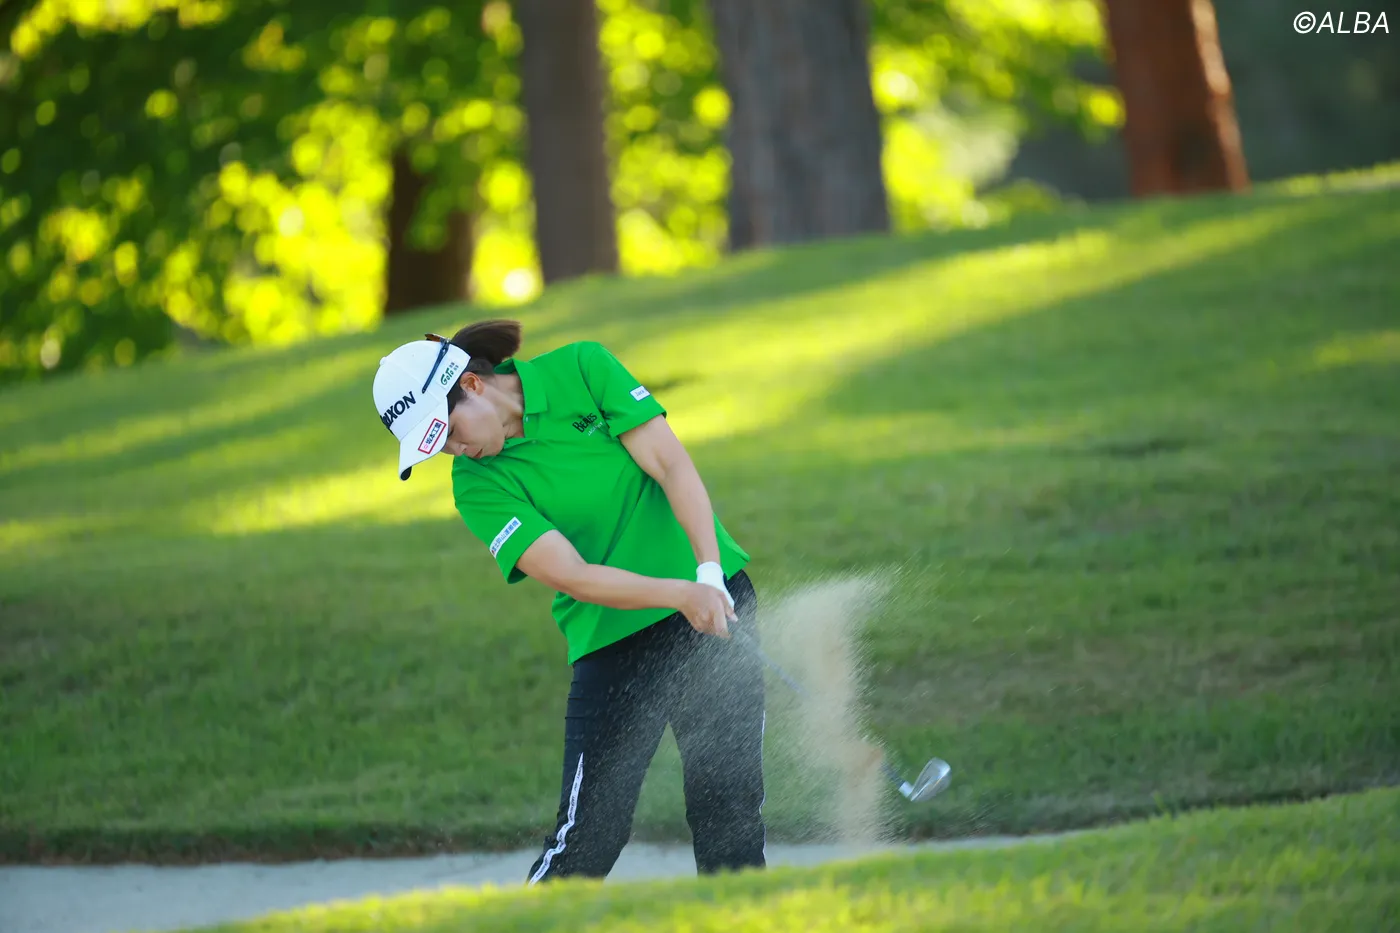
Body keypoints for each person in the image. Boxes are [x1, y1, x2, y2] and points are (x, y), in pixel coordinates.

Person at [371, 318, 767, 883]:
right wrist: (682, 592)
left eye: (451, 432)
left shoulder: (582, 367)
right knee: (589, 834)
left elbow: (669, 464)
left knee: (729, 809)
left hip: (717, 604)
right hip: (613, 642)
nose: (458, 451)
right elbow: (574, 576)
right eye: (441, 447)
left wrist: (708, 572)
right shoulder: (476, 484)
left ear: (473, 385)